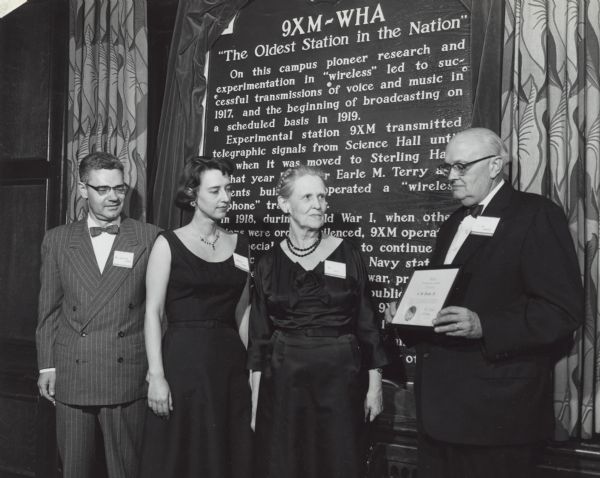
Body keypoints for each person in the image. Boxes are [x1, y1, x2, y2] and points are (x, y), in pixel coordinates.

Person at [388, 127, 583, 478]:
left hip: (497, 419)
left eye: (461, 166)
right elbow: (446, 302)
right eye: (448, 167)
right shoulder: (452, 224)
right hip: (438, 418)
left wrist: (484, 325)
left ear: (495, 165)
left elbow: (561, 312)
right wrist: (408, 315)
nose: (451, 176)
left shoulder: (536, 214)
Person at [248, 165, 389, 478]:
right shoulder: (268, 262)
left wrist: (375, 384)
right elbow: (260, 335)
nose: (318, 204)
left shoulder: (348, 253)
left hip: (340, 377)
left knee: (339, 460)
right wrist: (257, 399)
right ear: (285, 204)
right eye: (308, 196)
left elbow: (367, 323)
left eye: (322, 196)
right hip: (284, 379)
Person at [36, 151, 161, 478]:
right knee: (75, 470)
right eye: (102, 189)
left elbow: (160, 313)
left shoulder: (149, 237)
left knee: (127, 471)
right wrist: (47, 365)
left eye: (119, 189)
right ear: (82, 189)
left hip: (127, 373)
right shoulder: (58, 240)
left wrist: (156, 370)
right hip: (72, 371)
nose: (113, 197)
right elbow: (48, 311)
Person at [138, 156, 252, 478]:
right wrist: (157, 376)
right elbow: (153, 312)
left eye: (228, 190)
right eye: (215, 191)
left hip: (229, 367)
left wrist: (253, 370)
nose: (226, 198)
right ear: (192, 193)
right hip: (184, 365)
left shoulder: (240, 245)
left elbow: (243, 311)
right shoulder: (168, 243)